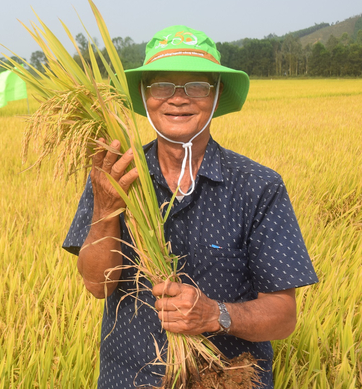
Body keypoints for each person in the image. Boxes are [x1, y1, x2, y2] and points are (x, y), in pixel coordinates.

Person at [63, 25, 318, 388]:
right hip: (129, 379)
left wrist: (215, 314)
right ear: (145, 95)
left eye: (196, 86)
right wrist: (106, 208)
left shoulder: (258, 186)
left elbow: (283, 316)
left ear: (216, 95)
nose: (177, 99)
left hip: (227, 379)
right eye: (162, 85)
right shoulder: (115, 174)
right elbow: (96, 285)